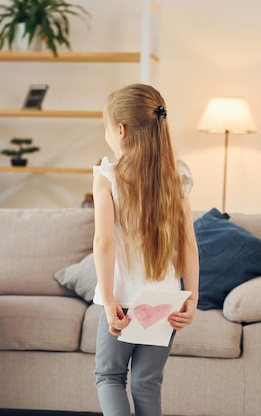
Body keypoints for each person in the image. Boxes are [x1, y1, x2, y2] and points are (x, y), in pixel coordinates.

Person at [92, 84, 199, 416]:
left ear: (121, 130)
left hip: (123, 300)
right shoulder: (176, 176)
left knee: (109, 377)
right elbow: (189, 243)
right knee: (146, 382)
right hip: (166, 302)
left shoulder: (107, 176)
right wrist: (192, 296)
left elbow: (104, 242)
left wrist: (109, 301)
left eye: (106, 127)